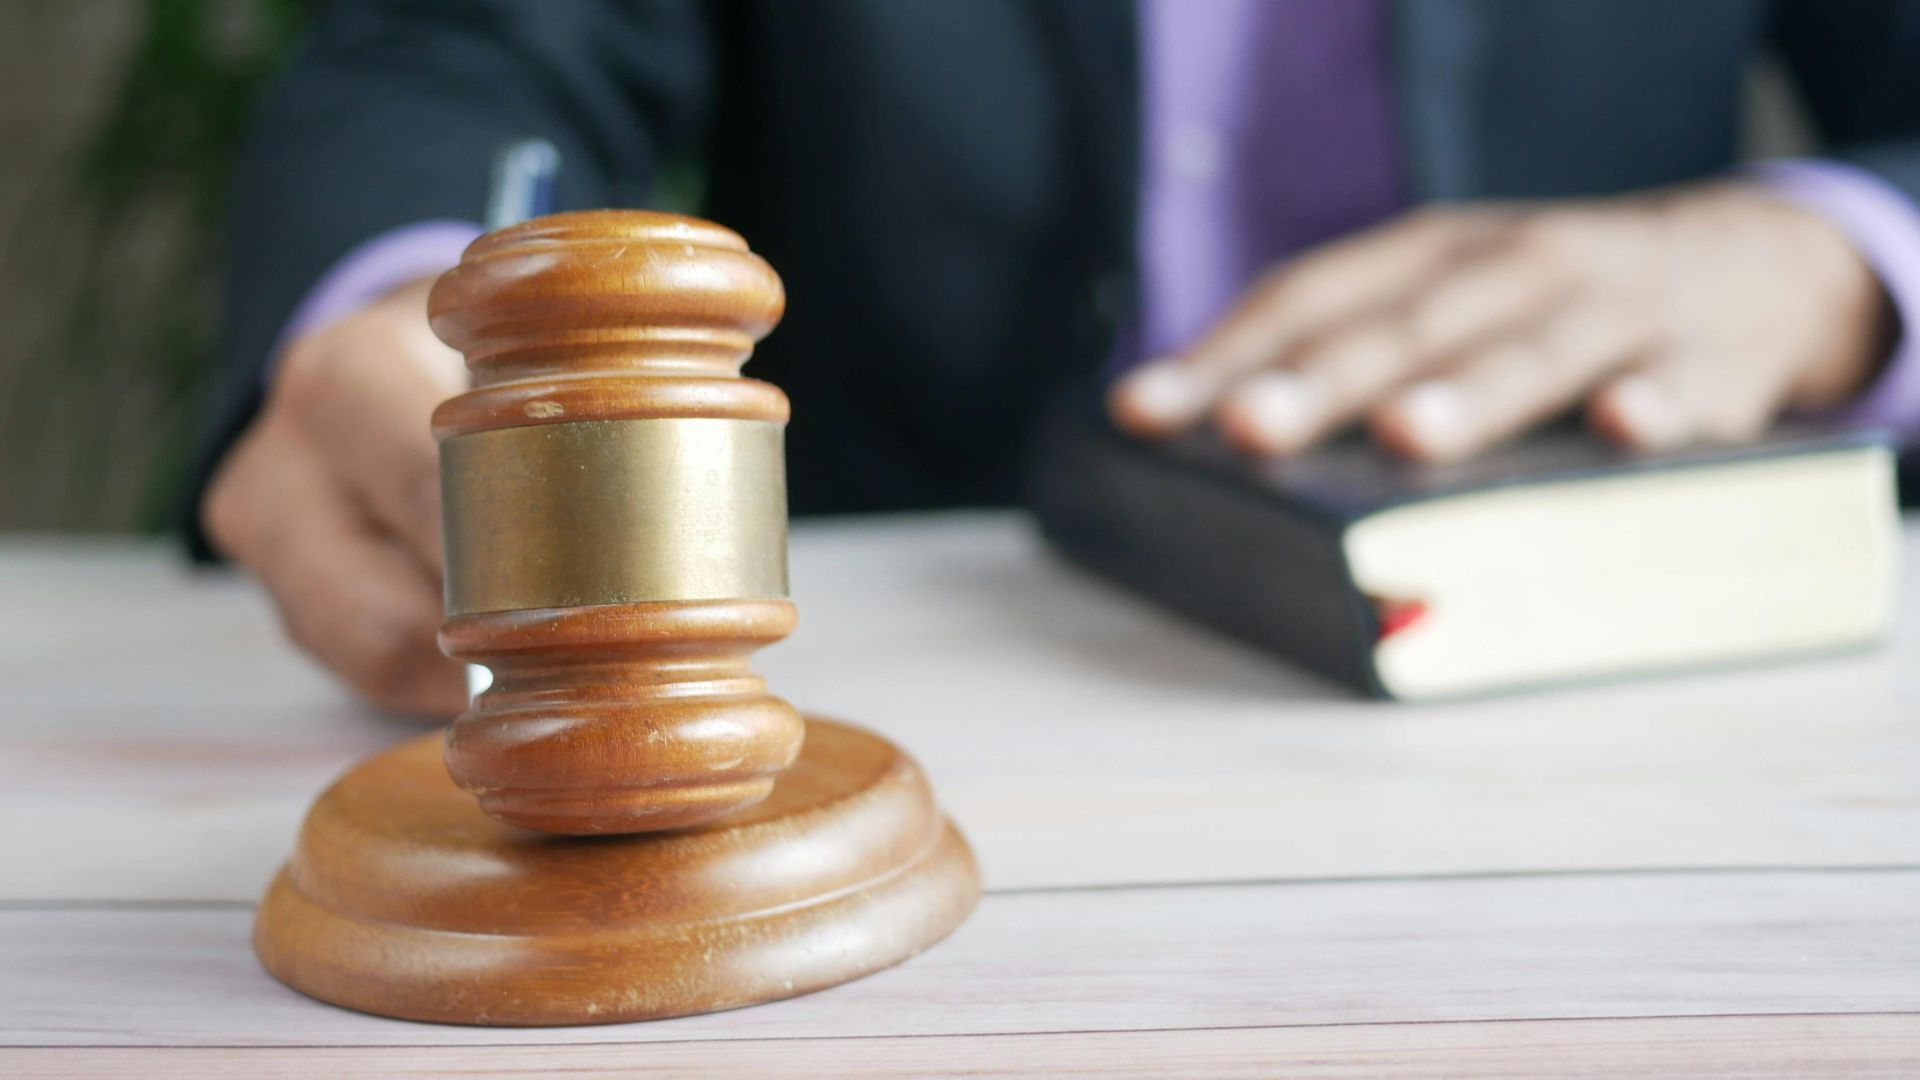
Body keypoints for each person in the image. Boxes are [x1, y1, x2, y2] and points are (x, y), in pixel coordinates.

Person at [192, 0, 1920, 717]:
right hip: (901, 653)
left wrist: (1836, 259)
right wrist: (412, 304)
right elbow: (464, 51)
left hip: (1643, 688)